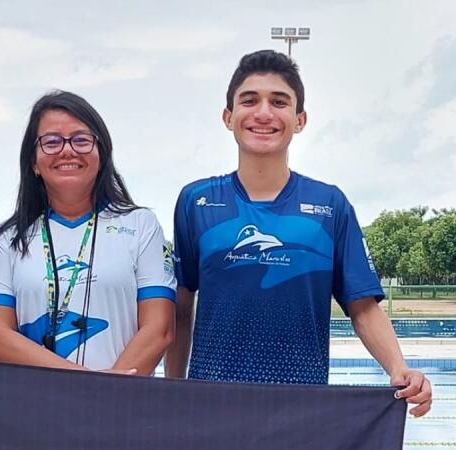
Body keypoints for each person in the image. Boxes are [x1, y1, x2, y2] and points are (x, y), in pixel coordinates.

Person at [164, 49, 432, 417]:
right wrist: (174, 392)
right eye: (249, 100)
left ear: (300, 119)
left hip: (300, 413)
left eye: (279, 102)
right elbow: (180, 306)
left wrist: (398, 369)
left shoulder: (330, 205)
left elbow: (363, 306)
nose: (263, 113)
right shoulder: (196, 201)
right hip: (213, 407)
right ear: (228, 117)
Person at [0, 90, 174, 375]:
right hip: (34, 409)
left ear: (101, 153)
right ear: (33, 162)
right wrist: (84, 384)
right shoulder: (8, 240)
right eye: (51, 142)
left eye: (81, 140)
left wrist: (107, 390)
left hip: (122, 405)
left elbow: (160, 329)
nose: (67, 150)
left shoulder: (141, 225)